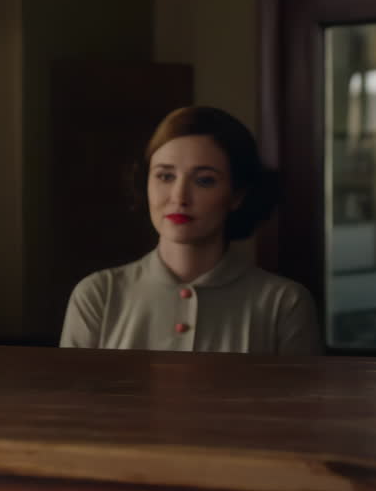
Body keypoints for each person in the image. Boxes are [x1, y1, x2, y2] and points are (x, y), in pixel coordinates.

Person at [60, 106, 321, 354]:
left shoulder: (284, 304)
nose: (179, 196)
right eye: (165, 176)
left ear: (237, 194)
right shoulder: (99, 295)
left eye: (204, 180)